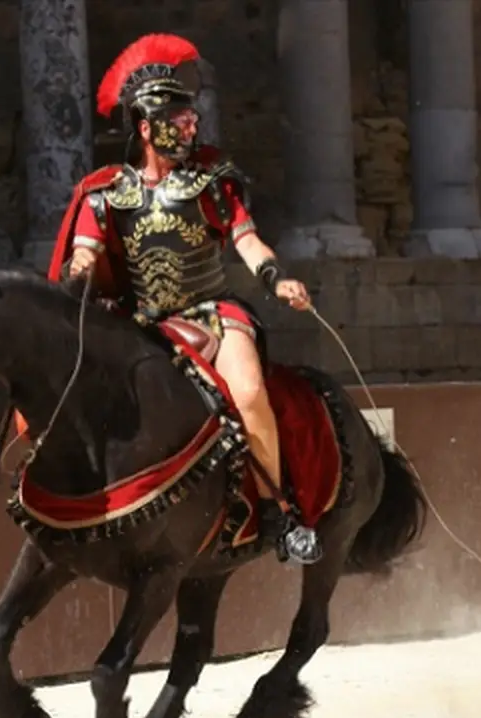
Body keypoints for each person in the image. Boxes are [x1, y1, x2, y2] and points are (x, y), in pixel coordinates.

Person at [44, 33, 320, 565]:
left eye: (191, 117)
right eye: (179, 119)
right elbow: (83, 254)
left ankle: (276, 514)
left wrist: (275, 277)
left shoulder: (213, 182)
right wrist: (73, 279)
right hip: (140, 325)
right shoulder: (105, 194)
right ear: (147, 128)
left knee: (249, 392)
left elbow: (245, 240)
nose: (191, 126)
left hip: (213, 317)